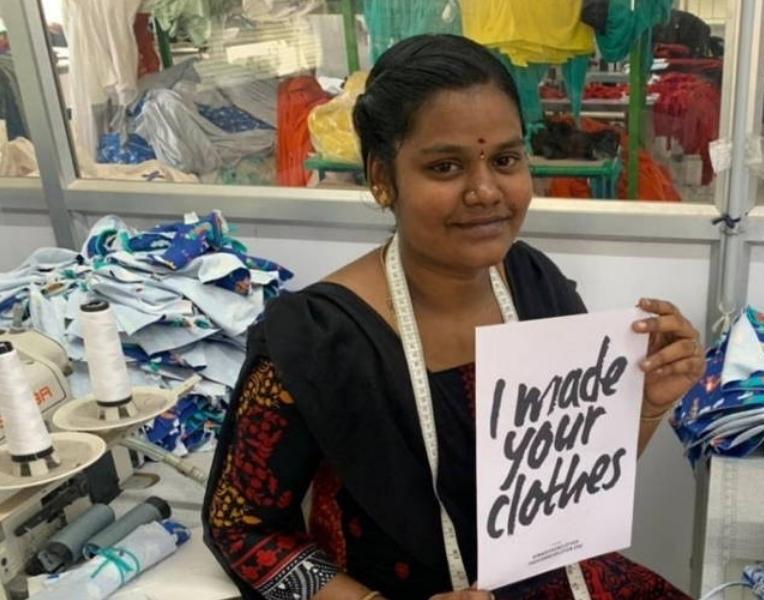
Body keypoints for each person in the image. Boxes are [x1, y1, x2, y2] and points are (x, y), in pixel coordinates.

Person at [202, 34, 703, 600]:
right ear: (382, 178)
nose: (486, 190)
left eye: (506, 160)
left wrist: (648, 406)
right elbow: (242, 531)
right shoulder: (317, 341)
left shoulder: (538, 287)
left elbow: (569, 488)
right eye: (446, 166)